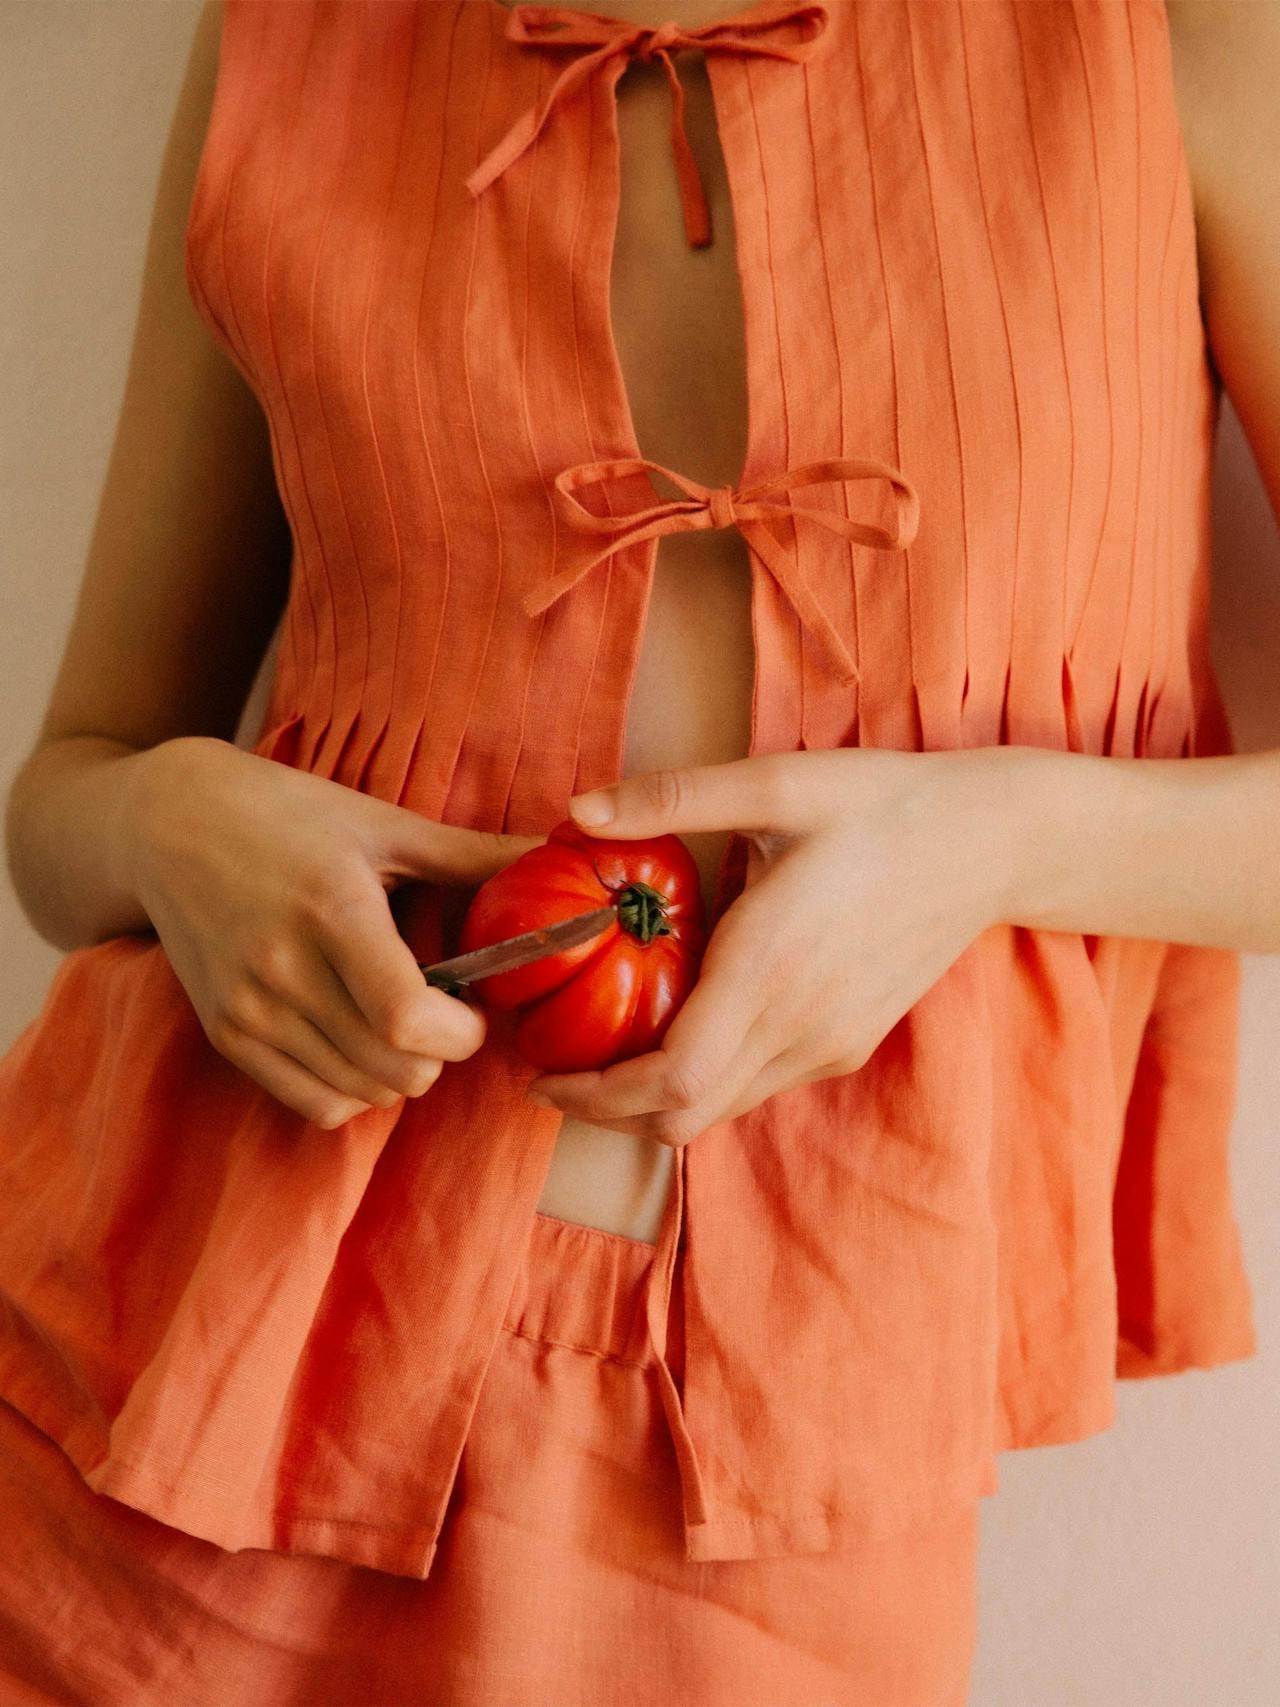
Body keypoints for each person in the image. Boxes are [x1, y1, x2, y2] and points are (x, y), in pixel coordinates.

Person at [0, 0, 1270, 1700]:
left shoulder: (1177, 34)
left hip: (768, 1460)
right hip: (159, 1377)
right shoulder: (291, 43)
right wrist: (170, 824)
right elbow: (65, 799)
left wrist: (996, 839)